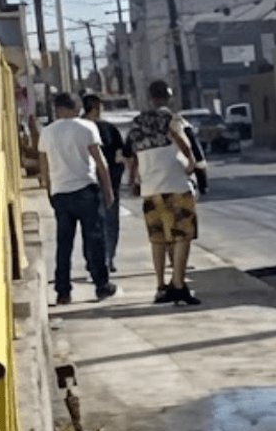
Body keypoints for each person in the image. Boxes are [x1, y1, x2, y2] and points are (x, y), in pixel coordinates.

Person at [126, 81, 202, 306]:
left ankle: (161, 286)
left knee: (158, 239)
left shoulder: (137, 123)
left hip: (150, 188)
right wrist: (191, 161)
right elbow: (180, 139)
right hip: (175, 184)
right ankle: (178, 284)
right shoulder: (172, 119)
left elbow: (131, 153)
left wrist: (133, 178)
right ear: (168, 96)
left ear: (150, 96)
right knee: (182, 236)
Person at [38, 93, 117, 306]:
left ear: (58, 109)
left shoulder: (47, 132)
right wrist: (108, 190)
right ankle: (101, 285)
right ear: (76, 107)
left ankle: (63, 290)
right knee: (94, 240)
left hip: (60, 192)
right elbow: (100, 162)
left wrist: (49, 191)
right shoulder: (87, 127)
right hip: (86, 189)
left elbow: (44, 167)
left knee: (64, 243)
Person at [82, 95, 125, 273]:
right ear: (96, 108)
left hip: (87, 182)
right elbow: (120, 156)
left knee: (91, 224)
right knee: (109, 222)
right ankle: (106, 258)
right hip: (104, 182)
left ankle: (96, 259)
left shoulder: (78, 128)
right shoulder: (107, 129)